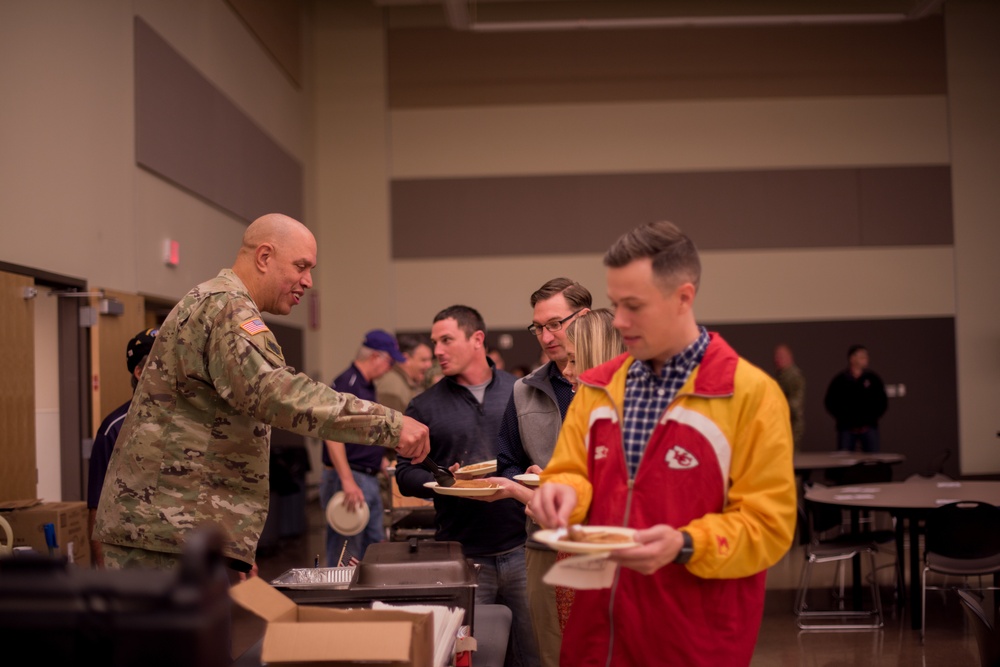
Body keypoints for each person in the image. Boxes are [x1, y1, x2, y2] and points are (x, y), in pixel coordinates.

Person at [93, 213, 430, 576]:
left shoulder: (220, 303)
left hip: (175, 527)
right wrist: (390, 425)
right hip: (164, 530)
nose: (308, 281)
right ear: (264, 256)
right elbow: (276, 394)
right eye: (301, 266)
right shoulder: (227, 307)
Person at [529, 221, 797, 667]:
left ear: (683, 298)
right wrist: (563, 494)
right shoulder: (597, 387)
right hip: (599, 636)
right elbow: (571, 471)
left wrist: (686, 543)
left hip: (693, 639)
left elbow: (768, 525)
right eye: (615, 304)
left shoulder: (747, 394)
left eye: (634, 306)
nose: (618, 321)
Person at [395, 305, 538, 667]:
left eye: (446, 340)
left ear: (477, 340)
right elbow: (403, 474)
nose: (437, 351)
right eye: (434, 342)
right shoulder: (424, 406)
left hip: (522, 548)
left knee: (534, 653)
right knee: (476, 655)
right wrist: (442, 481)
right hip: (465, 556)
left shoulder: (519, 392)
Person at [479, 277, 591, 667]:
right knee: (552, 650)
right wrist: (522, 476)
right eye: (538, 327)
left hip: (603, 540)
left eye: (555, 324)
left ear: (585, 318)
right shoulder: (525, 389)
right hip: (543, 541)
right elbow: (506, 458)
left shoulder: (618, 384)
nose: (545, 336)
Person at [320, 330, 407, 566]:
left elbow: (357, 434)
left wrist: (379, 461)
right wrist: (347, 480)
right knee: (347, 553)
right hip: (349, 478)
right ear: (376, 357)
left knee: (374, 546)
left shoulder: (367, 386)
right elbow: (331, 434)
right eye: (389, 362)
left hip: (366, 476)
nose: (389, 368)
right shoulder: (348, 384)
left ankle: (368, 602)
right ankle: (340, 601)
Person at [87, 327, 158, 568]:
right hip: (132, 563)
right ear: (139, 372)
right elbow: (98, 508)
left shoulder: (186, 423)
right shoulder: (114, 429)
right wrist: (104, 571)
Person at [823, 344, 888, 453]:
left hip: (869, 428)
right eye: (862, 356)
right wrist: (845, 419)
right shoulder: (841, 380)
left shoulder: (873, 379)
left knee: (873, 461)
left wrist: (870, 419)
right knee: (844, 462)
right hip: (847, 429)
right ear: (852, 358)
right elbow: (830, 402)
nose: (866, 359)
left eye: (866, 356)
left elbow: (882, 401)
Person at [375, 333, 434, 414]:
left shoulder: (408, 382)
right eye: (424, 360)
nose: (429, 365)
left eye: (430, 360)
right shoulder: (392, 388)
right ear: (406, 359)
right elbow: (390, 424)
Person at [773, 343, 806, 450]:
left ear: (789, 357)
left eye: (781, 356)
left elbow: (795, 403)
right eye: (777, 356)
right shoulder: (782, 375)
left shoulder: (792, 375)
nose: (778, 359)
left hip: (791, 423)